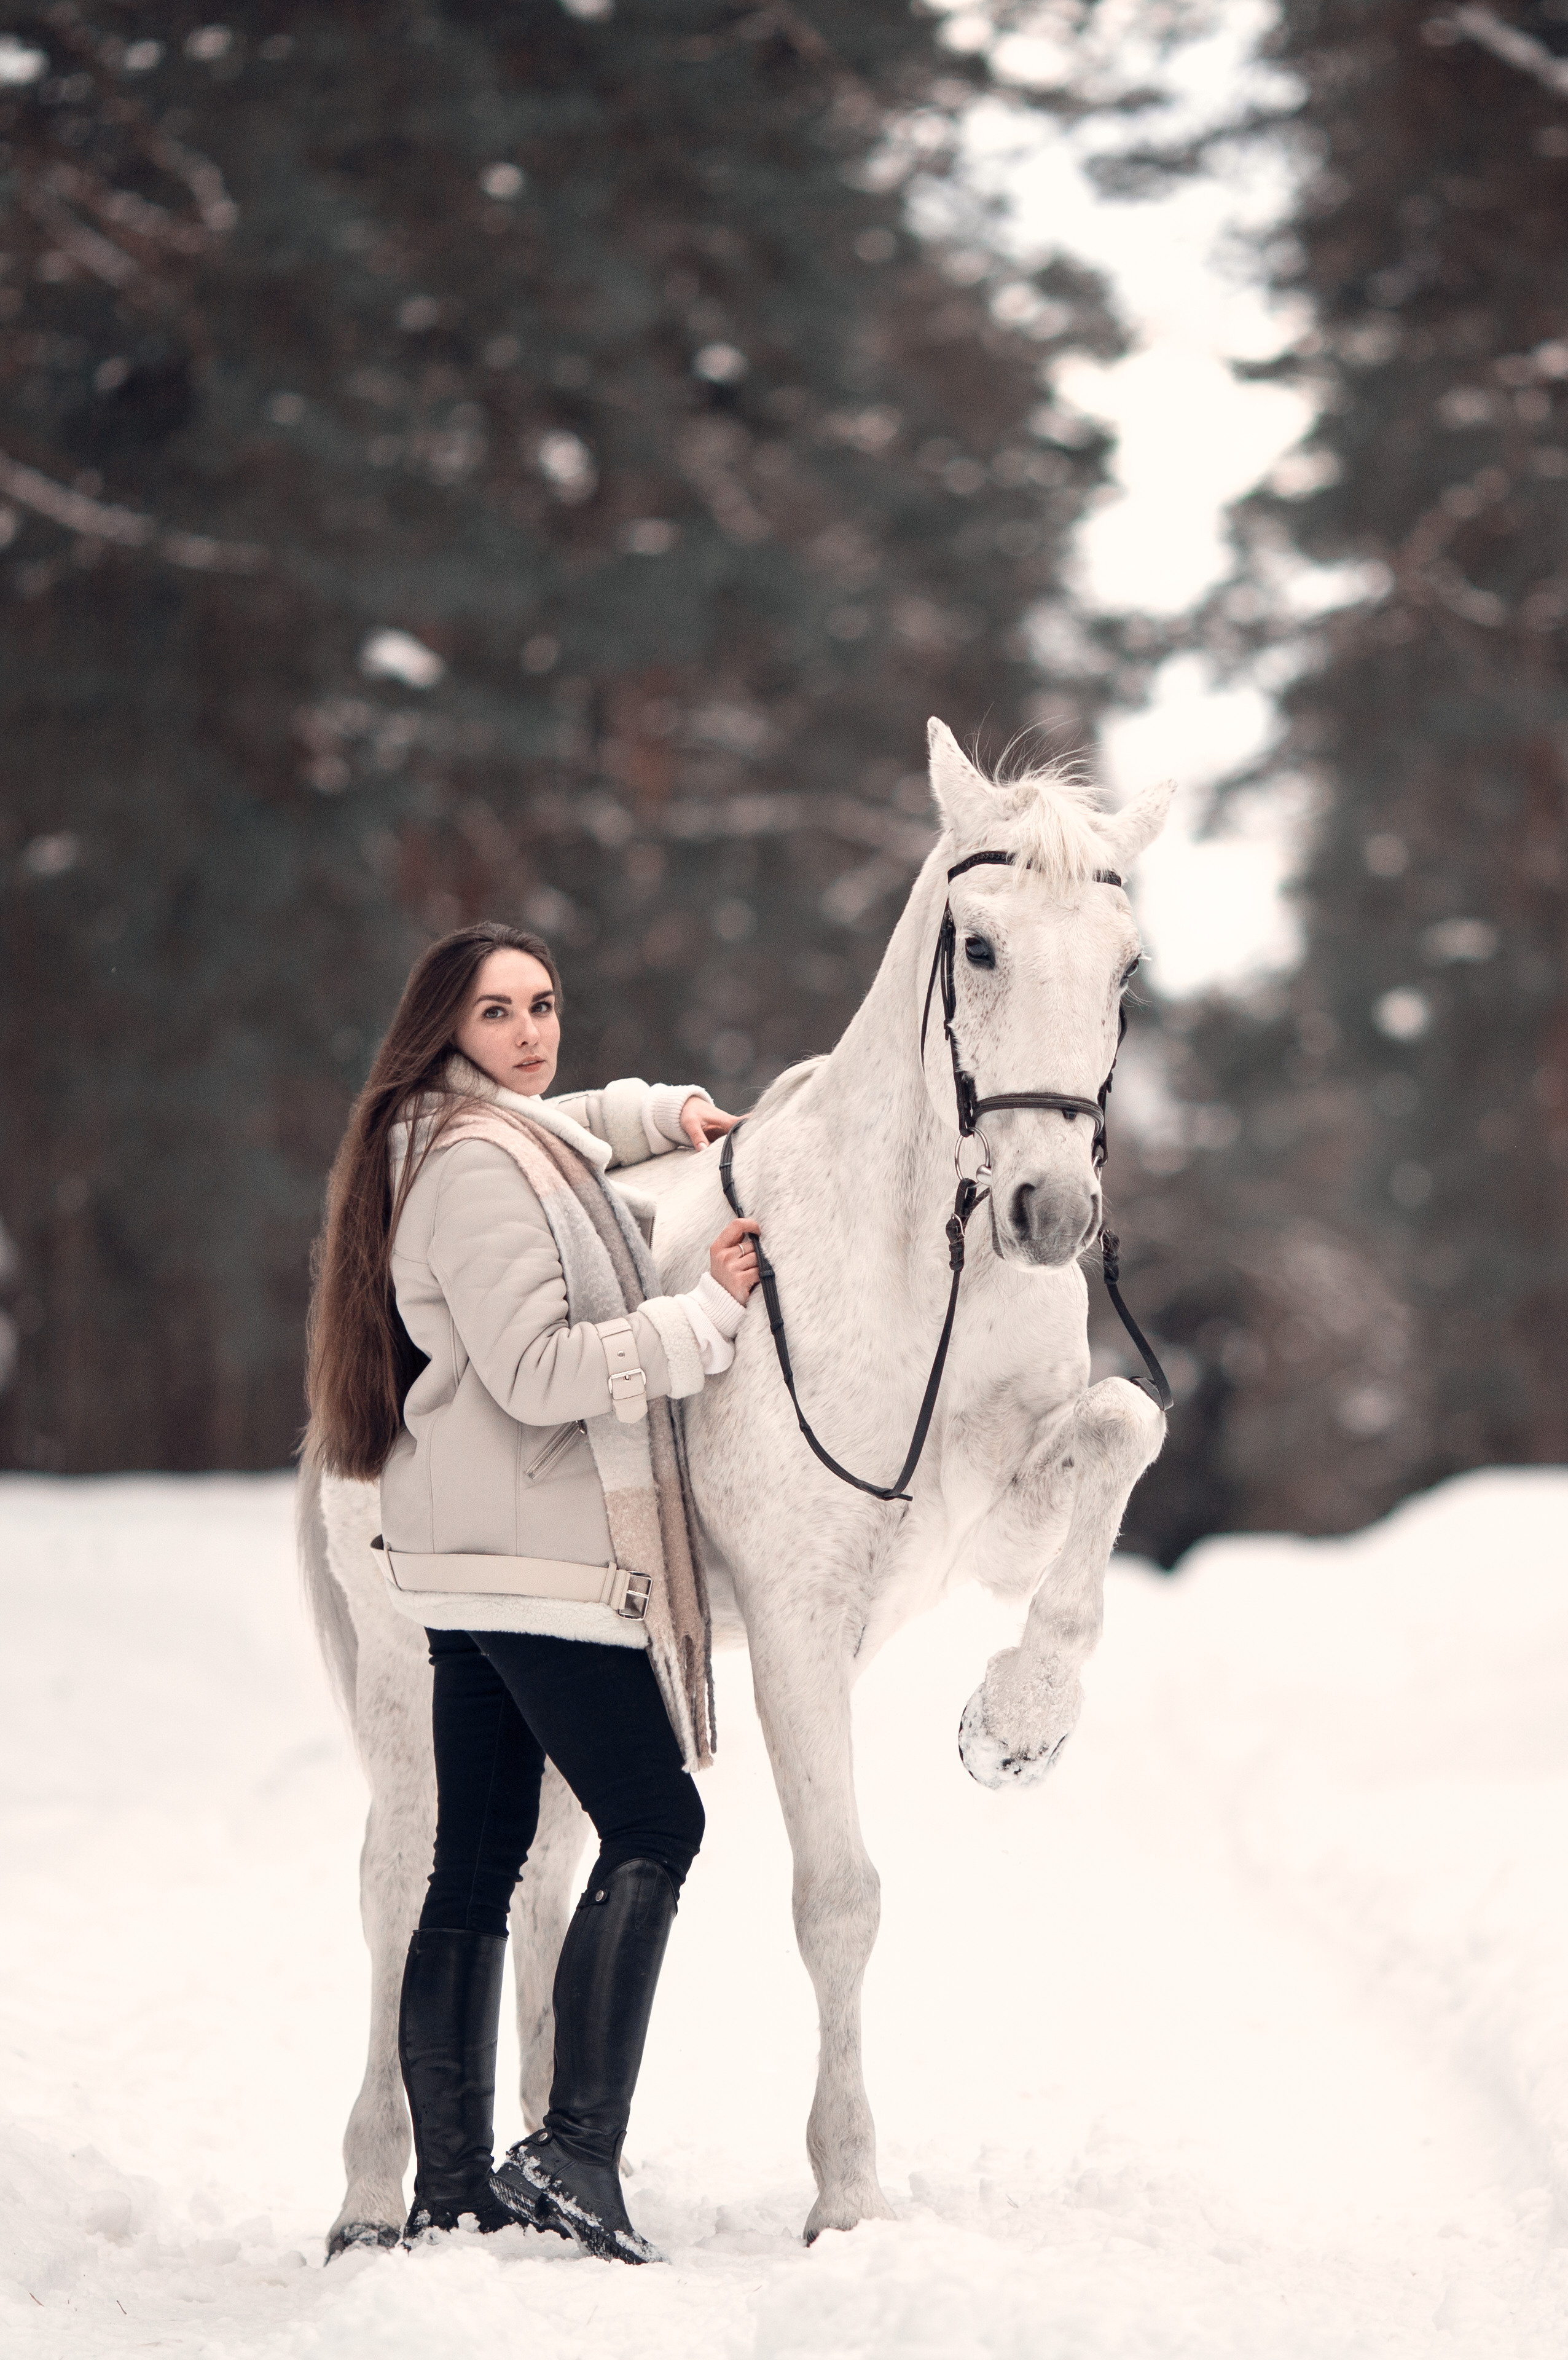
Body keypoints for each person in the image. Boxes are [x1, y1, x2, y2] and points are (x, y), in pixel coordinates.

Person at [305, 921, 759, 2262]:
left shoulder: (461, 1139)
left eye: (544, 1005)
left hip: (472, 1551)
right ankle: (572, 2152)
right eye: (497, 1012)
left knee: (478, 1859)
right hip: (534, 1559)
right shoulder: (473, 1170)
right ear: (445, 1030)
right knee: (656, 1823)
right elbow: (538, 1375)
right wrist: (707, 1318)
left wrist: (661, 1109)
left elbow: (565, 1129)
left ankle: (449, 2182)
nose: (530, 1033)